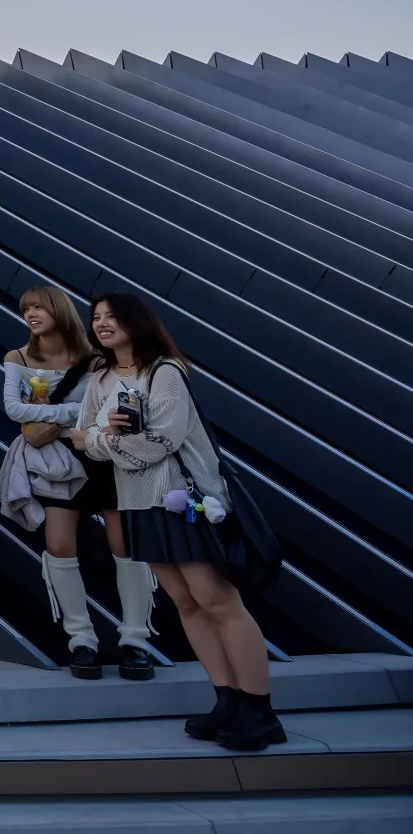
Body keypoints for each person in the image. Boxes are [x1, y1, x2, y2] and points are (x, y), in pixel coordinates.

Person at [75, 294, 283, 750]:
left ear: (136, 322)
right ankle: (226, 698)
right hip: (136, 503)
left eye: (112, 316)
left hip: (181, 499)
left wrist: (107, 438)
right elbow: (82, 436)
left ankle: (259, 709)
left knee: (216, 598)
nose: (102, 324)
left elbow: (159, 443)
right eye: (96, 317)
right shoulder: (101, 377)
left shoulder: (165, 370)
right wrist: (106, 435)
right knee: (184, 601)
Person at [0, 285, 152, 681]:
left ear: (59, 310)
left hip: (104, 455)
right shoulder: (18, 357)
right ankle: (81, 639)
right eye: (25, 307)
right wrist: (77, 414)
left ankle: (136, 640)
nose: (30, 314)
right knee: (59, 545)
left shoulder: (97, 359)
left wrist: (61, 414)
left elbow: (105, 408)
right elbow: (13, 408)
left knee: (125, 544)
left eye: (38, 307)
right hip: (55, 459)